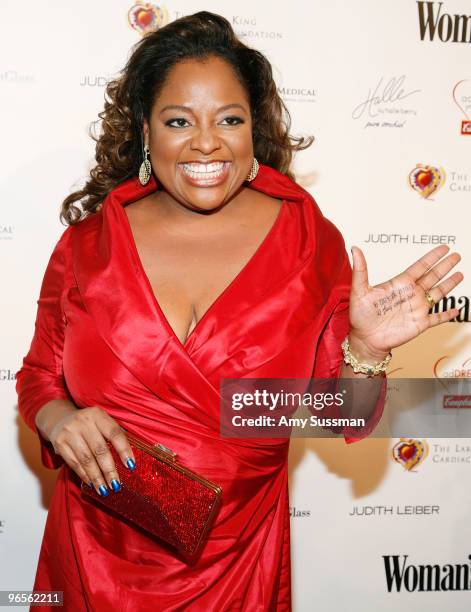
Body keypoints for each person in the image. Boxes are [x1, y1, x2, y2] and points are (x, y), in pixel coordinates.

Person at [16, 11, 463, 612]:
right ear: (146, 130)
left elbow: (341, 417)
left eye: (230, 119)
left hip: (237, 568)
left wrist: (370, 348)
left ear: (255, 128)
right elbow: (40, 377)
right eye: (179, 121)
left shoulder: (308, 243)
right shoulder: (89, 245)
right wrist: (57, 419)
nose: (207, 142)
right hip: (93, 553)